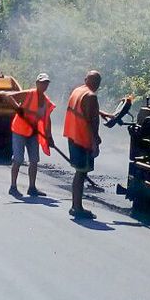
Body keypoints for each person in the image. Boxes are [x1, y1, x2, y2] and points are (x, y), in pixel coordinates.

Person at [62, 70, 115, 220]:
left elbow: (83, 110)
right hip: (82, 138)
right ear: (97, 84)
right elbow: (92, 122)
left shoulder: (78, 91)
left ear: (86, 80)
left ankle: (75, 205)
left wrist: (101, 113)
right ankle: (76, 207)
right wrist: (95, 141)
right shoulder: (91, 96)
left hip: (72, 135)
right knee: (81, 172)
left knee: (79, 171)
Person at [6, 72, 55, 199]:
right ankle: (13, 187)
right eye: (42, 83)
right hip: (20, 130)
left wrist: (49, 137)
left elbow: (47, 120)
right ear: (37, 83)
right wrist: (19, 109)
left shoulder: (45, 101)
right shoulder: (28, 94)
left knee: (34, 160)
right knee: (18, 159)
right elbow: (8, 96)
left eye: (46, 83)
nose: (44, 85)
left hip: (33, 132)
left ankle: (32, 188)